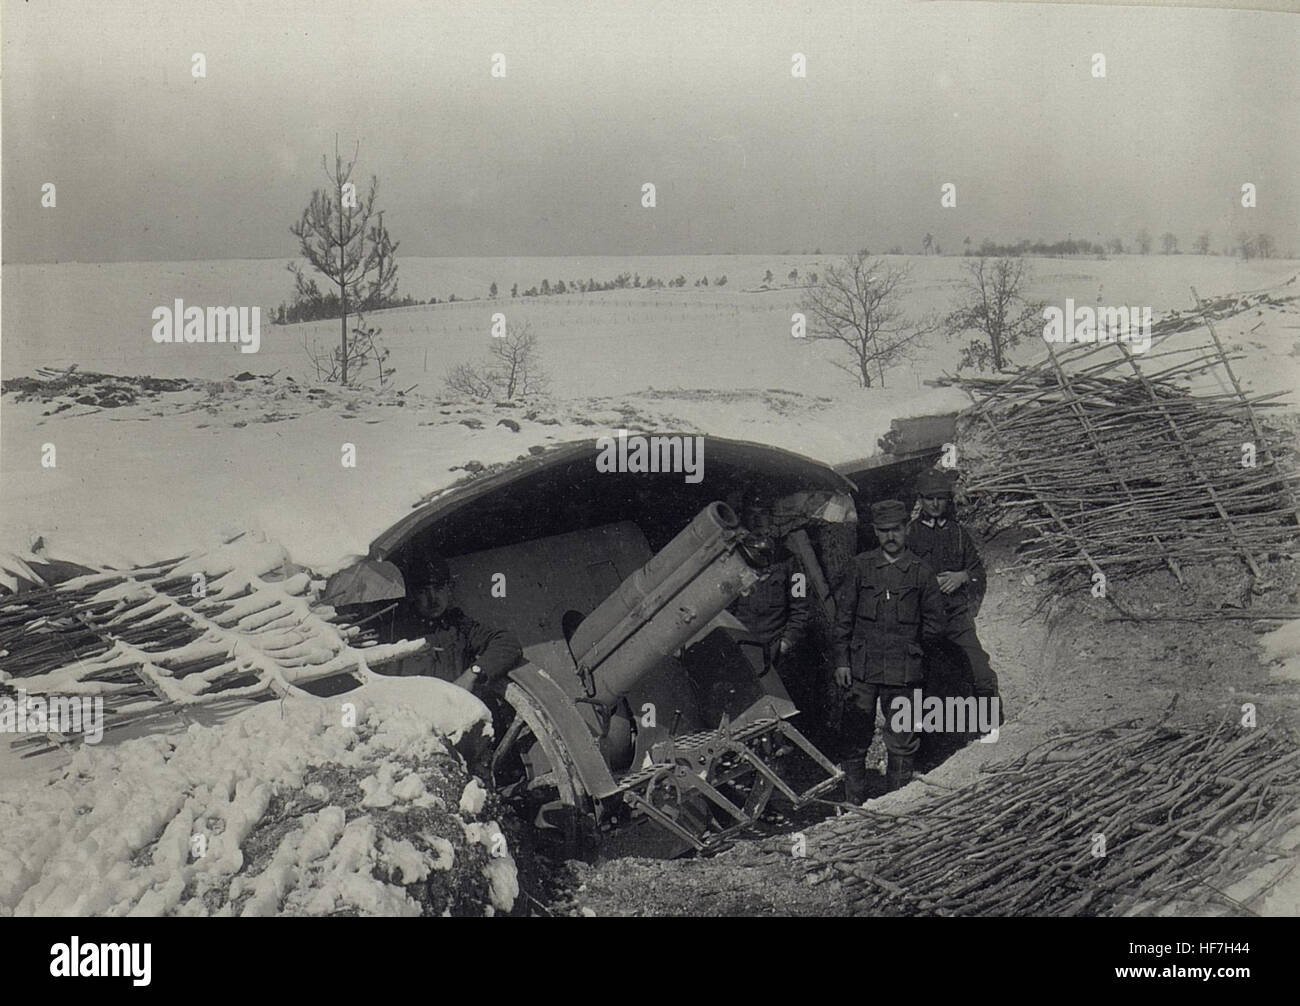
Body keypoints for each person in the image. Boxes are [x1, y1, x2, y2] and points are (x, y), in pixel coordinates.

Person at [832, 499, 945, 801]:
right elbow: (843, 617)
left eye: (896, 529)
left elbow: (935, 626)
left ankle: (894, 805)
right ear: (875, 531)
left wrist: (918, 657)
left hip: (904, 672)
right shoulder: (860, 567)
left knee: (902, 740)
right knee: (855, 736)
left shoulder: (922, 572)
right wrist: (842, 660)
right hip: (862, 670)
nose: (890, 537)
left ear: (907, 529)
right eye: (883, 531)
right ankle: (853, 803)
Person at [904, 469, 1001, 717]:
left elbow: (977, 569)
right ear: (921, 500)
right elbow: (899, 577)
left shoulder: (957, 533)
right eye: (929, 498)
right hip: (923, 620)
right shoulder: (910, 534)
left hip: (957, 618)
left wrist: (963, 576)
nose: (935, 504)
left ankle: (991, 729)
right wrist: (927, 582)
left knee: (980, 669)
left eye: (940, 498)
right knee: (918, 677)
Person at [386, 555, 523, 696]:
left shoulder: (459, 626)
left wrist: (472, 674)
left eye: (439, 588)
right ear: (412, 595)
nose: (433, 599)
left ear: (449, 588)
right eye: (423, 591)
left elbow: (508, 643)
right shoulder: (396, 632)